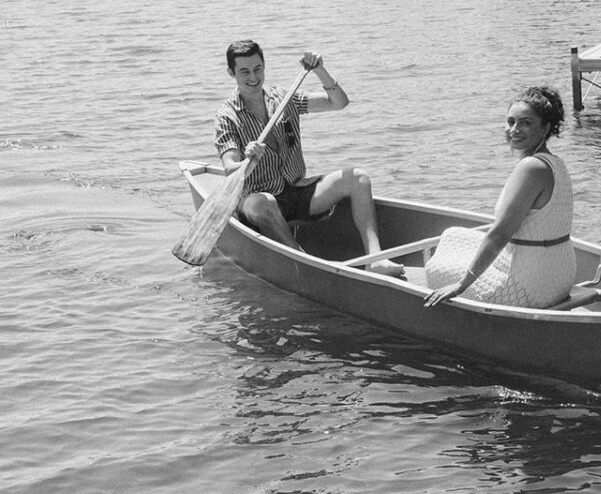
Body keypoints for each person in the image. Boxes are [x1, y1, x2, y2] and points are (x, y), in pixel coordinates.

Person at [214, 39, 402, 275]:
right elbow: (231, 169)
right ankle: (303, 263)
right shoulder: (227, 116)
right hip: (255, 201)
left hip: (297, 190)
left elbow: (338, 103)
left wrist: (320, 70)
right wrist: (248, 159)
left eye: (258, 69)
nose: (253, 77)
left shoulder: (283, 97)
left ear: (264, 67)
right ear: (231, 73)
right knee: (264, 203)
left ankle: (375, 259)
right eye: (244, 72)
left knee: (359, 178)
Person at [424, 85, 575, 309]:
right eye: (511, 121)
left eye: (525, 123)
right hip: (560, 276)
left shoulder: (531, 168)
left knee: (434, 267)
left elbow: (500, 234)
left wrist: (461, 285)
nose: (514, 129)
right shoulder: (554, 162)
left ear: (545, 129)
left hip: (530, 287)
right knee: (451, 235)